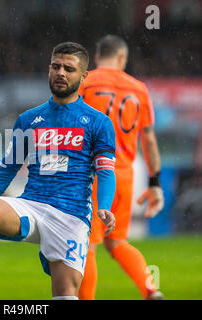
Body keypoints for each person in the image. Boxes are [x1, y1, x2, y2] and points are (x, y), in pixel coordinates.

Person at [0, 42, 117, 300]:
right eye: (56, 66)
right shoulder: (29, 119)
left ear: (84, 76)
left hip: (71, 215)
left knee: (65, 293)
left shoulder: (98, 122)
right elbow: (7, 169)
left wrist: (105, 205)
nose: (61, 73)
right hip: (31, 205)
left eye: (69, 68)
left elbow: (106, 172)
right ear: (49, 69)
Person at [78, 35, 164, 300]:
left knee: (87, 245)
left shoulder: (85, 81)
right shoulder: (138, 88)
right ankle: (151, 290)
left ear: (97, 54)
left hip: (92, 173)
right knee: (117, 243)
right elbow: (149, 139)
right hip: (124, 173)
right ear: (122, 58)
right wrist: (154, 183)